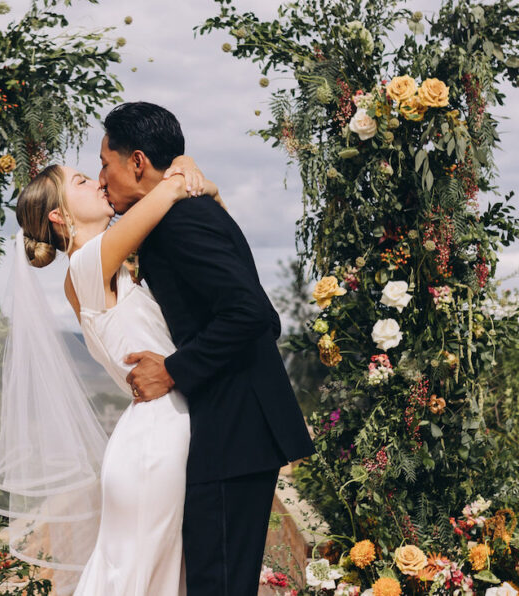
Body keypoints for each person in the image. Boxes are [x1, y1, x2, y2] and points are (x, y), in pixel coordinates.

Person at [99, 102, 316, 595]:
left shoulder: (182, 222)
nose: (101, 177)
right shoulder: (180, 216)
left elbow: (253, 313)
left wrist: (173, 370)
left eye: (105, 163)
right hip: (233, 427)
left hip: (232, 428)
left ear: (136, 162)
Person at [0, 154, 215, 595]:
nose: (100, 183)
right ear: (58, 215)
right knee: (139, 580)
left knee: (145, 576)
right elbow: (166, 191)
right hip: (154, 443)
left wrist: (199, 183)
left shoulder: (110, 268)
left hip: (157, 435)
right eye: (83, 181)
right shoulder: (86, 268)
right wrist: (183, 168)